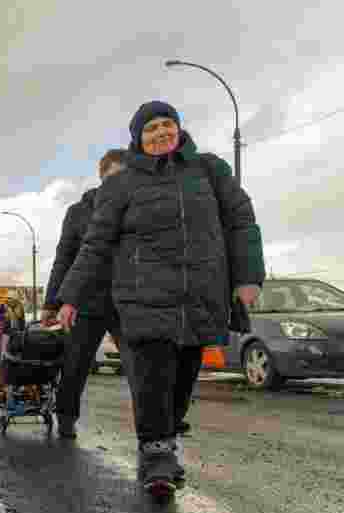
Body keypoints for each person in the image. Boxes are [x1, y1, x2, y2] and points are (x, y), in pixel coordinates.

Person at [57, 101, 265, 491]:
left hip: (199, 294)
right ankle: (156, 456)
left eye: (167, 124)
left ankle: (166, 441)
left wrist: (248, 276)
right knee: (152, 376)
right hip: (144, 296)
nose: (160, 132)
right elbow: (95, 244)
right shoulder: (121, 185)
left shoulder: (210, 170)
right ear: (138, 138)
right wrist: (68, 297)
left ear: (179, 128)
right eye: (150, 128)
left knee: (183, 379)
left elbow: (241, 221)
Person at [41, 149, 129, 439]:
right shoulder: (78, 212)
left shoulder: (138, 205)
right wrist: (51, 303)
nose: (120, 182)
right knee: (75, 364)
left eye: (125, 176)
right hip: (87, 301)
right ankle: (66, 417)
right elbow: (64, 258)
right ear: (102, 177)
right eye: (114, 177)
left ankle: (154, 431)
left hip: (127, 301)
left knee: (140, 368)